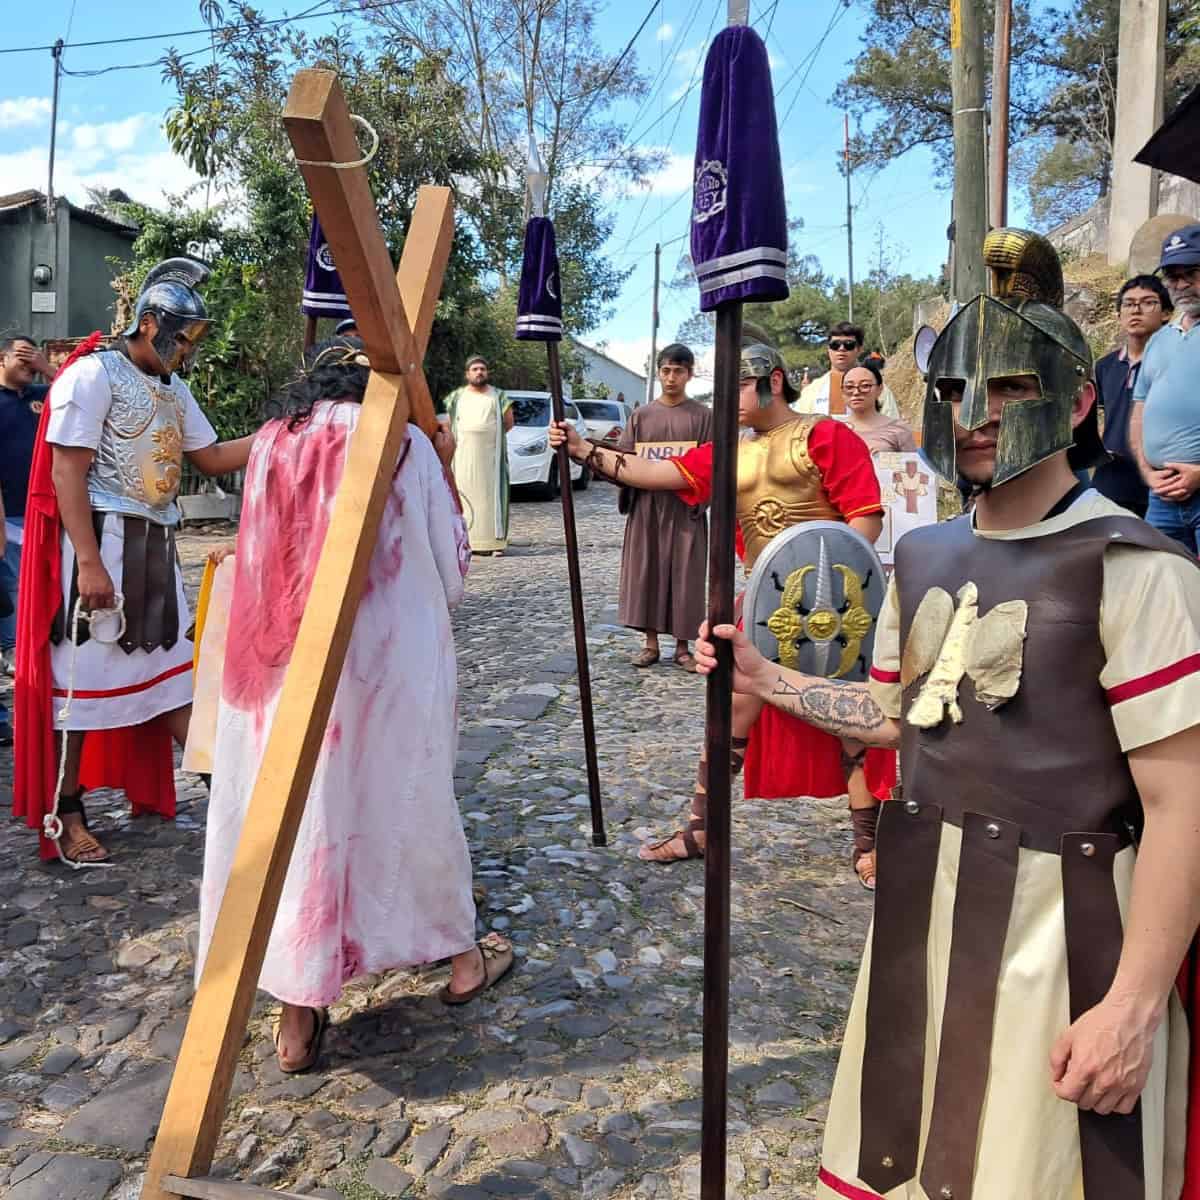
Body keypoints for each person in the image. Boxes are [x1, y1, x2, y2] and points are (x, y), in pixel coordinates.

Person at [695, 229, 1200, 1200]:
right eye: (959, 390)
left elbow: (1185, 808)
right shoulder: (922, 558)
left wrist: (1133, 1008)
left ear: (1079, 398)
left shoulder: (1134, 569)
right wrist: (765, 676)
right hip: (926, 920)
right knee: (913, 1160)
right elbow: (893, 716)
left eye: (1009, 386)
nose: (976, 414)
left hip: (1065, 942)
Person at [194, 338, 511, 1074]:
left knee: (294, 821)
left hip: (276, 667)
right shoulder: (395, 440)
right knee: (404, 806)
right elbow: (450, 564)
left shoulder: (273, 441)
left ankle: (296, 1015)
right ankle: (462, 961)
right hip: (384, 665)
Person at [551, 343, 895, 879]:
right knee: (731, 713)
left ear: (773, 382)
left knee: (851, 721)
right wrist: (583, 451)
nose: (725, 399)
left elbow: (863, 521)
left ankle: (869, 844)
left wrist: (840, 592)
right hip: (764, 605)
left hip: (836, 609)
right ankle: (701, 829)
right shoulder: (731, 451)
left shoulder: (825, 436)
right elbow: (654, 474)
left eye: (737, 385)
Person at [14, 258, 253, 864]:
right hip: (98, 546)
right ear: (148, 324)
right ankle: (65, 812)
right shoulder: (91, 376)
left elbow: (216, 456)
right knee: (83, 686)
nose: (186, 352)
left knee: (174, 677)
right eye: (181, 338)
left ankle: (230, 797)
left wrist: (291, 429)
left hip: (157, 549)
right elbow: (66, 471)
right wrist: (89, 564)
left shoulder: (175, 391)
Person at [618, 344, 711, 670]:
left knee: (685, 574)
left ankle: (683, 647)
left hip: (685, 509)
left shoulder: (703, 416)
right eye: (666, 370)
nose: (672, 378)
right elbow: (623, 460)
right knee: (649, 572)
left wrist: (703, 500)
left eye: (679, 371)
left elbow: (715, 463)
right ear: (657, 372)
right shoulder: (641, 416)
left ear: (690, 373)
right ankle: (651, 643)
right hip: (647, 509)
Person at [1130, 224, 1200, 550]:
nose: (1182, 284)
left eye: (1192, 272)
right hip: (1160, 498)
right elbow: (1139, 409)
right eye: (1173, 275)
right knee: (1164, 591)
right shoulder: (1159, 340)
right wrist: (1146, 472)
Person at [0, 335, 56, 739]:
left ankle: (39, 705)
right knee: (7, 621)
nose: (27, 362)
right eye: (20, 355)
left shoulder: (45, 394)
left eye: (31, 355)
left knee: (34, 620)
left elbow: (81, 393)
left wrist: (45, 367)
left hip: (43, 519)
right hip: (4, 522)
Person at [1092, 275, 1172, 518]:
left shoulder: (1177, 362)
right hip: (1111, 481)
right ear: (1118, 315)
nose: (1136, 310)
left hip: (1160, 481)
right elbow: (1108, 416)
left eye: (1148, 303)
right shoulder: (1105, 366)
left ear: (1167, 313)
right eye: (1128, 304)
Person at [444, 355, 513, 554]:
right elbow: (448, 422)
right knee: (464, 496)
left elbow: (508, 422)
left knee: (490, 499)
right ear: (467, 374)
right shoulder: (456, 397)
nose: (479, 372)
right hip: (463, 458)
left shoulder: (499, 396)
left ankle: (495, 544)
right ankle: (467, 542)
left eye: (482, 369)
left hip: (491, 460)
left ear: (487, 372)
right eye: (475, 369)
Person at [795, 322, 901, 419]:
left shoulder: (877, 390)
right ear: (828, 349)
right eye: (835, 345)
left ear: (859, 349)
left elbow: (893, 428)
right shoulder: (812, 391)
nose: (841, 349)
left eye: (849, 344)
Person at [840, 361, 917, 453]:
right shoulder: (834, 429)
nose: (856, 392)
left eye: (865, 386)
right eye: (849, 387)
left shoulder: (899, 429)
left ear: (879, 389)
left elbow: (912, 466)